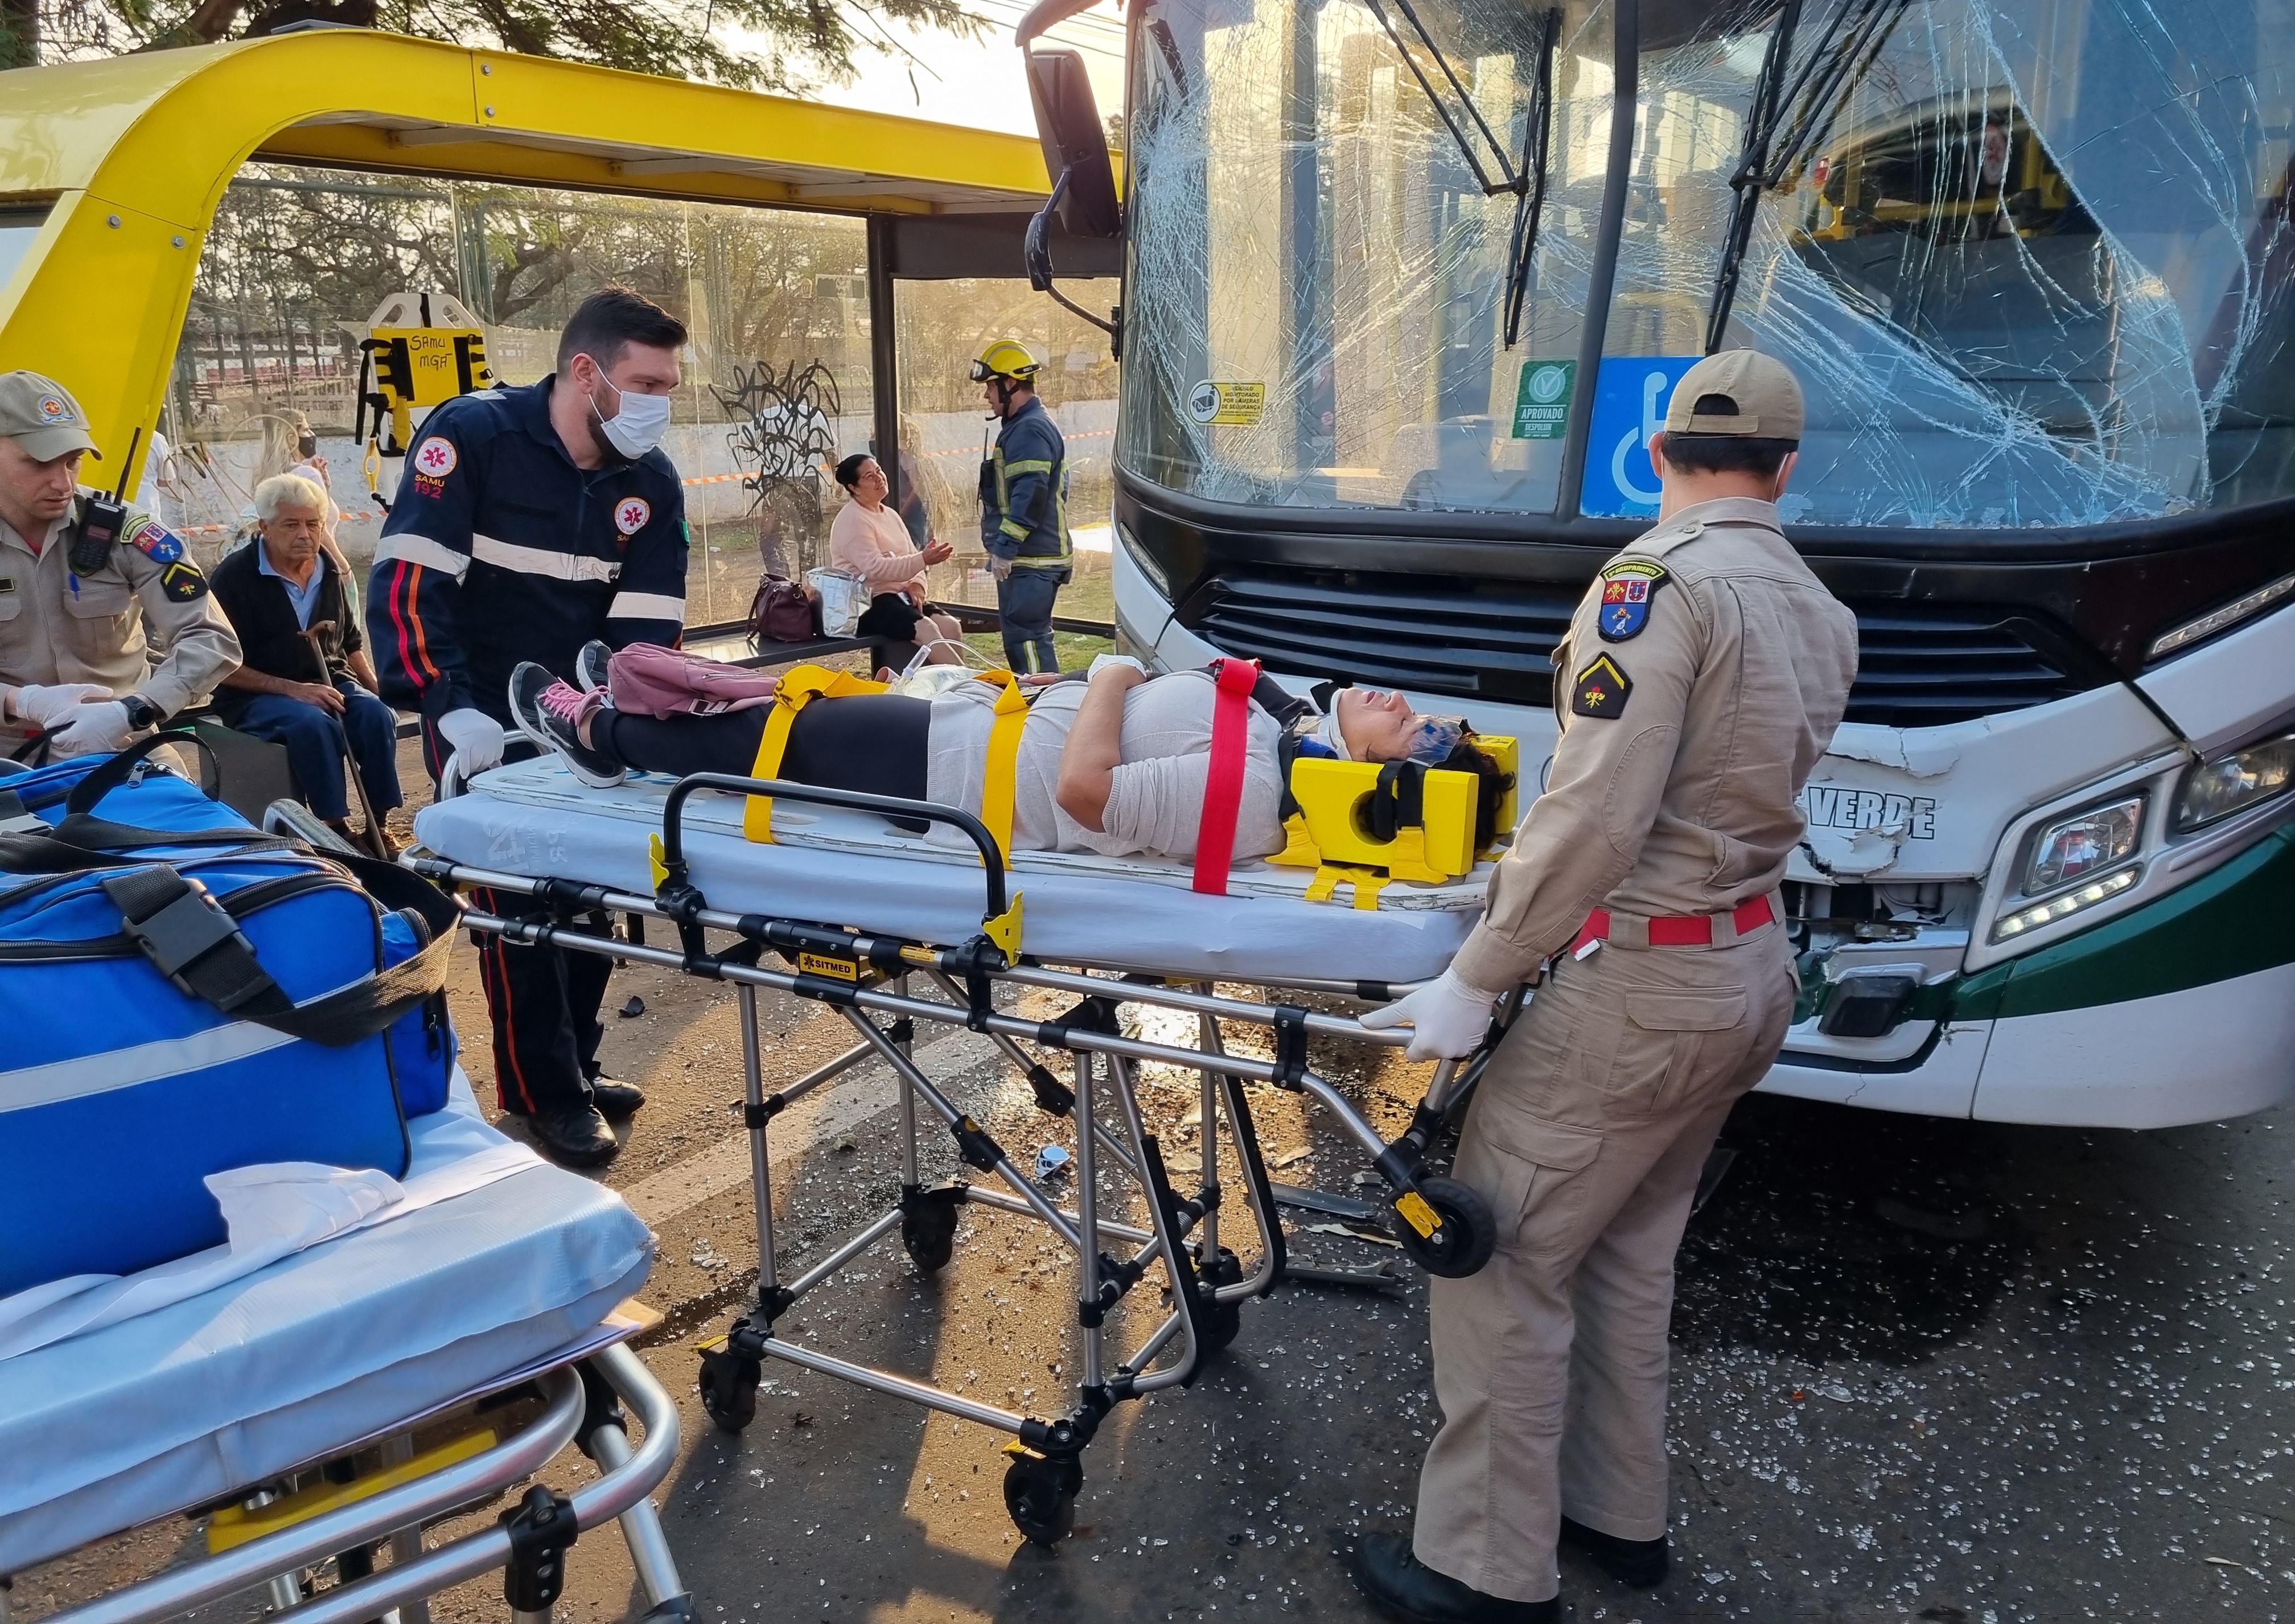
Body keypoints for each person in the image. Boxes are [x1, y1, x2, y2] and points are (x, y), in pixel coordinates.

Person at [1346, 351, 1859, 1624]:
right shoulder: (1816, 603)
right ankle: (1616, 1515)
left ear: (1660, 453)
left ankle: (1480, 1572)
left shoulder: (1654, 586)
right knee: (1631, 1252)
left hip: (1641, 983)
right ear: (1787, 469)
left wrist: (1478, 974)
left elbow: (1597, 817)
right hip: (1747, 971)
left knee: (1502, 1259)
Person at [366, 286, 692, 1169]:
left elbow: (647, 633)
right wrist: (444, 700)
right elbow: (408, 584)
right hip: (477, 709)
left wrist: (631, 726)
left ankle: (577, 1063)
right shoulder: (473, 438)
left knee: (593, 895)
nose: (660, 403)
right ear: (584, 372)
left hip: (580, 720)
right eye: (646, 382)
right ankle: (542, 1089)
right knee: (518, 905)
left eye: (671, 384)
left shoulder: (649, 484)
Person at [507, 651, 1511, 866]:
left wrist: (1113, 676)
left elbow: (1084, 791)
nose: (1397, 700)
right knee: (804, 700)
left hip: (959, 775)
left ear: (1393, 782)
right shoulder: (1282, 731)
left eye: (1413, 728)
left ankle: (602, 736)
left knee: (779, 734)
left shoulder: (1259, 799)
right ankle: (635, 690)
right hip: (975, 729)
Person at [0, 370, 240, 757]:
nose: (62, 483)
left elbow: (212, 639)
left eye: (72, 462)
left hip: (124, 744)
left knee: (197, 818)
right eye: (39, 463)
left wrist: (133, 710)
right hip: (7, 755)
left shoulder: (125, 532)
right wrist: (20, 702)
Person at [208, 472, 402, 855]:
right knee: (313, 724)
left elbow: (349, 643)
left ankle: (377, 827)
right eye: (291, 524)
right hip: (256, 695)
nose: (305, 534)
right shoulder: (235, 577)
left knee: (376, 716)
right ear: (264, 527)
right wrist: (293, 690)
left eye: (313, 524)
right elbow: (219, 663)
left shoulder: (329, 569)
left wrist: (377, 688)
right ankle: (335, 830)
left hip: (328, 682)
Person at [972, 339, 1070, 673]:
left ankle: (1041, 709)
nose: (987, 395)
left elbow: (1030, 494)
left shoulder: (1028, 429)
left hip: (1031, 559)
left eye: (990, 386)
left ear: (1010, 383)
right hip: (1034, 557)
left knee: (1027, 642)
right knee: (1027, 639)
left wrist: (1006, 549)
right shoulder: (1027, 425)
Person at [828, 452, 964, 668]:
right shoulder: (852, 519)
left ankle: (949, 686)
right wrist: (923, 559)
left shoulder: (890, 514)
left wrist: (918, 584)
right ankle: (968, 684)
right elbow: (875, 569)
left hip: (901, 597)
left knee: (949, 626)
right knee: (926, 628)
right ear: (853, 488)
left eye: (879, 471)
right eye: (869, 476)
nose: (879, 478)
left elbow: (911, 555)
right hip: (869, 601)